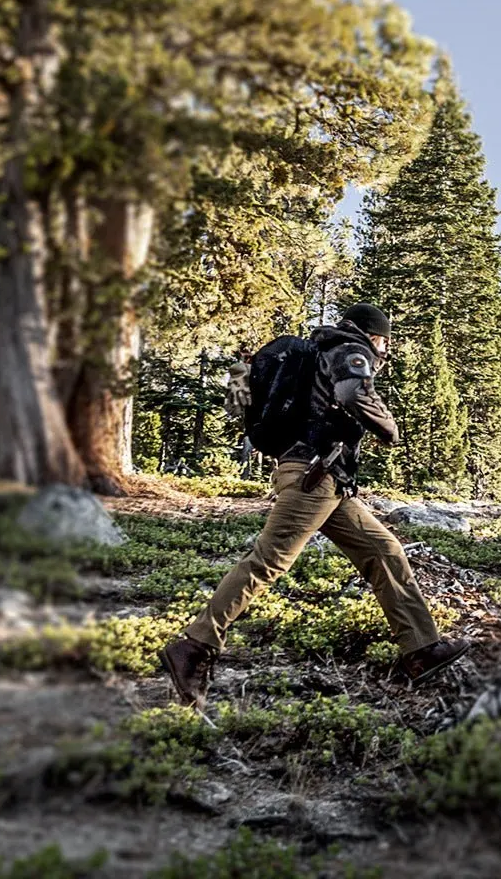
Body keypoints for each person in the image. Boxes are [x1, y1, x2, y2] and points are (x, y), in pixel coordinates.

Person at [159, 303, 470, 708]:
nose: (385, 350)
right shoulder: (350, 349)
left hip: (327, 480)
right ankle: (194, 646)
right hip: (314, 477)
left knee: (384, 550)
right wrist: (390, 428)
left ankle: (420, 650)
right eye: (385, 341)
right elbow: (352, 391)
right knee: (267, 561)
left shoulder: (321, 350)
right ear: (373, 335)